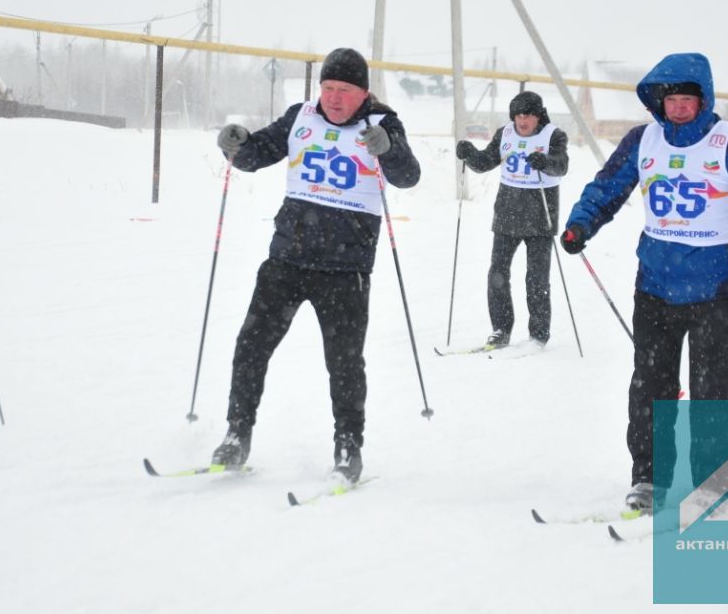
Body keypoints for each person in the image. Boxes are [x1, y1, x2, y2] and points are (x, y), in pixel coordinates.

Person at [559, 52, 728, 512]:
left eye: (688, 99)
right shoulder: (642, 140)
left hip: (716, 288)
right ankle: (649, 479)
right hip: (655, 286)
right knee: (650, 386)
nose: (680, 107)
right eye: (672, 99)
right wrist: (581, 224)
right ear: (659, 101)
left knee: (711, 389)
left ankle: (713, 484)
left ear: (703, 100)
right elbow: (607, 187)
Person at [209, 47, 421, 483]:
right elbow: (255, 154)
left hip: (346, 268)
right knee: (251, 346)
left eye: (345, 90)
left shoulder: (381, 124)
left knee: (343, 363)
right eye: (327, 88)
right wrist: (237, 143)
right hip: (288, 257)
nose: (334, 98)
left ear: (363, 92)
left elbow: (407, 176)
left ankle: (348, 447)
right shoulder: (299, 116)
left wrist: (390, 149)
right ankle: (236, 434)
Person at [455, 91, 569, 349]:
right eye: (518, 115)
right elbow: (486, 162)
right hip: (508, 213)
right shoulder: (505, 133)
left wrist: (546, 162)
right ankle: (500, 330)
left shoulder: (553, 135)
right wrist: (469, 153)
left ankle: (538, 334)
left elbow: (561, 165)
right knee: (497, 273)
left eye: (527, 115)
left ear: (538, 116)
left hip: (541, 215)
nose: (522, 120)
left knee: (536, 277)